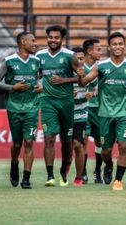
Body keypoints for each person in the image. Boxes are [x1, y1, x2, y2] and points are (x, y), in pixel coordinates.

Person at [79, 31, 126, 191]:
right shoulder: (101, 66)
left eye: (120, 44)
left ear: (124, 45)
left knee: (123, 145)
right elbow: (84, 82)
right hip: (105, 114)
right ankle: (108, 165)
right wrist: (80, 75)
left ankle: (118, 180)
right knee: (106, 151)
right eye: (114, 44)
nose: (118, 47)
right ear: (110, 46)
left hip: (125, 113)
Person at [35, 25, 83, 187]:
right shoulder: (40, 56)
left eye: (56, 37)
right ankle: (50, 175)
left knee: (66, 140)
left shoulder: (70, 56)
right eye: (50, 37)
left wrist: (65, 80)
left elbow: (82, 79)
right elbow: (36, 74)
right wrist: (37, 84)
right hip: (47, 101)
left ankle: (64, 170)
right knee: (49, 137)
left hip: (67, 102)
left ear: (62, 39)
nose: (53, 40)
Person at [0, 32, 42, 189]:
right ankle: (14, 165)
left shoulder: (37, 61)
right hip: (14, 107)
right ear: (23, 42)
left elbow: (42, 78)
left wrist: (40, 85)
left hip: (32, 107)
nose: (35, 44)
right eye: (32, 41)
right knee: (17, 144)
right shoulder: (8, 62)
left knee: (29, 142)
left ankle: (26, 178)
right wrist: (12, 88)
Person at [82, 37, 103, 183]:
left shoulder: (102, 67)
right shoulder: (78, 67)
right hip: (82, 109)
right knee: (82, 141)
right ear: (89, 51)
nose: (101, 52)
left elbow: (106, 87)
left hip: (99, 109)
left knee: (100, 142)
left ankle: (97, 171)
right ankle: (82, 172)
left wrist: (95, 92)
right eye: (98, 49)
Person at [71, 46, 89, 186]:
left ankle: (79, 176)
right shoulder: (65, 72)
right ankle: (63, 170)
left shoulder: (90, 73)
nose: (80, 61)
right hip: (66, 114)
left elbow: (97, 89)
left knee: (78, 144)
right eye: (77, 58)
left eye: (82, 58)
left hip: (81, 114)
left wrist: (90, 94)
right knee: (67, 146)